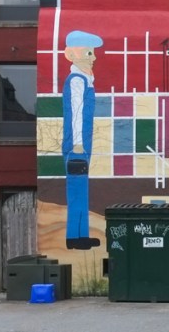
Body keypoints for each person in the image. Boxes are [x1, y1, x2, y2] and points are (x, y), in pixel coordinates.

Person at [62, 30, 103, 250]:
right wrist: (78, 144)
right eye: (89, 52)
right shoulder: (77, 80)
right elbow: (76, 113)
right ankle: (75, 237)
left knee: (81, 188)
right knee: (77, 189)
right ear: (71, 55)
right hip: (76, 145)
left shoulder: (85, 79)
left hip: (82, 144)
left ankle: (79, 236)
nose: (93, 57)